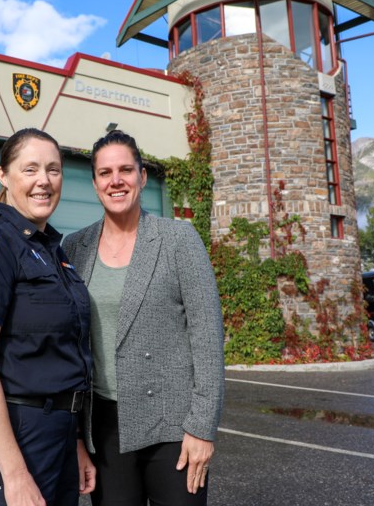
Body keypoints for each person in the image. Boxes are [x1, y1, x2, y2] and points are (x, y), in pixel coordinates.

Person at [61, 130, 225, 506]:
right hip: (102, 427)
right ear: (94, 182)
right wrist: (74, 437)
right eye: (105, 173)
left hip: (173, 428)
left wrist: (202, 429)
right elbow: (70, 344)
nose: (115, 180)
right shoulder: (75, 247)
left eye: (125, 170)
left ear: (142, 176)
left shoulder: (178, 239)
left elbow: (207, 337)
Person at [0, 128, 95, 506]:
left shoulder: (53, 253)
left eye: (53, 170)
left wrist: (74, 440)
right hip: (12, 434)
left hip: (57, 436)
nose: (43, 181)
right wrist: (13, 473)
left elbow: (62, 356)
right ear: (4, 175)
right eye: (30, 169)